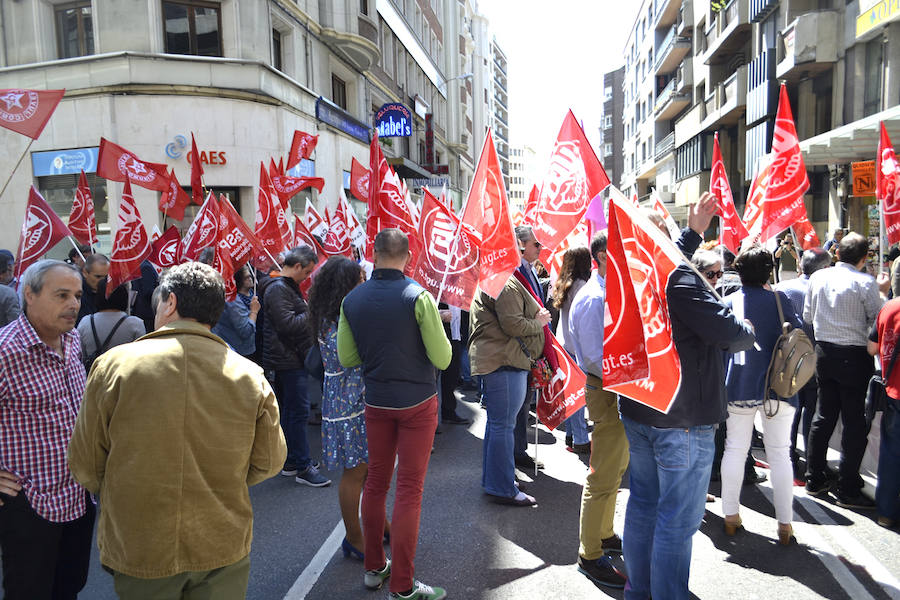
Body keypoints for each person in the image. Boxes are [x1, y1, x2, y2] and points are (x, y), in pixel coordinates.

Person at [68, 262, 287, 600]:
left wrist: (124, 491)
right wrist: (220, 483)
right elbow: (269, 461)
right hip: (220, 537)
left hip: (141, 540)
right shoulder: (250, 375)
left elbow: (85, 461)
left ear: (170, 303)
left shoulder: (115, 365)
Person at [619, 193, 756, 600]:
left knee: (644, 505)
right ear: (654, 238)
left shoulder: (633, 275)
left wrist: (692, 232)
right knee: (676, 519)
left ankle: (639, 591)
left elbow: (671, 262)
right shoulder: (677, 278)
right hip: (682, 419)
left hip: (643, 409)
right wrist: (744, 326)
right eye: (663, 230)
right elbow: (729, 333)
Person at [338, 229, 451, 600]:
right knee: (409, 491)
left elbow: (347, 358)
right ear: (408, 255)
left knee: (376, 485)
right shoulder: (418, 297)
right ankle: (402, 585)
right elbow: (443, 358)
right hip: (417, 402)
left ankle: (374, 569)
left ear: (374, 253)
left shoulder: (351, 300)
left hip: (377, 403)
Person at [0, 260, 95, 599]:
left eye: (78, 295)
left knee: (69, 587)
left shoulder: (72, 340)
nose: (73, 304)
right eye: (61, 295)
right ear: (29, 294)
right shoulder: (5, 351)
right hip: (29, 503)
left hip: (77, 496)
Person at [721, 247, 804, 545]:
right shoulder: (781, 300)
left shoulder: (728, 301)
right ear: (769, 271)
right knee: (780, 452)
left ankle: (730, 516)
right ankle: (785, 526)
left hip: (740, 383)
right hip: (778, 386)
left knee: (735, 448)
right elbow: (799, 335)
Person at [804, 232, 889, 507]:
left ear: (838, 253)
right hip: (853, 355)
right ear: (864, 259)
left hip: (824, 352)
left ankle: (814, 477)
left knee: (823, 415)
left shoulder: (818, 277)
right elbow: (878, 323)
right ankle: (847, 486)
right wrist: (883, 294)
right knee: (853, 420)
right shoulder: (865, 282)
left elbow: (807, 316)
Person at [308, 256, 382, 560]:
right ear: (346, 285)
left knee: (367, 470)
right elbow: (348, 358)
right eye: (359, 279)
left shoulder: (337, 313)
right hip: (347, 400)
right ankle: (354, 537)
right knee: (356, 472)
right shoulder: (336, 319)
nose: (364, 284)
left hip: (353, 397)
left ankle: (378, 525)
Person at [567, 231, 629, 589]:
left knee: (614, 469)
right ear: (604, 256)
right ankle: (589, 554)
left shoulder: (602, 291)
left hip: (613, 389)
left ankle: (603, 534)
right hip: (606, 390)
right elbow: (594, 358)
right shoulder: (593, 297)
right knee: (603, 473)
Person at [469, 266, 547, 508]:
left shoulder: (497, 278)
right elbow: (513, 325)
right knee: (503, 426)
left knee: (498, 426)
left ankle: (497, 482)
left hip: (502, 360)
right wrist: (539, 323)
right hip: (504, 361)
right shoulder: (502, 281)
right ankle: (502, 487)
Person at [262, 245, 331, 487]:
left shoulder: (284, 288)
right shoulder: (279, 289)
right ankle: (302, 466)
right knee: (297, 412)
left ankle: (293, 461)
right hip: (288, 360)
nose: (308, 277)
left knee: (292, 413)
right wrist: (313, 311)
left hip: (289, 357)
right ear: (298, 266)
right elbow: (288, 324)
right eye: (307, 272)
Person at [774, 247, 832, 479]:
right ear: (825, 268)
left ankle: (789, 456)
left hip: (787, 358)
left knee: (791, 408)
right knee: (811, 409)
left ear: (800, 266)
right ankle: (811, 458)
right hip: (815, 357)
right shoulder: (827, 288)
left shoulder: (782, 288)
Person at [552, 246, 592, 454]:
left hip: (564, 343)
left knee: (570, 394)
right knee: (578, 397)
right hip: (576, 347)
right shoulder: (582, 285)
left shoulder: (563, 283)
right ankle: (580, 438)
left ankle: (571, 434)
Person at [513, 224, 546, 470]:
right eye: (536, 244)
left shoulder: (531, 270)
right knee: (517, 408)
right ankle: (515, 454)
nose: (540, 248)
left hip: (532, 348)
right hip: (520, 348)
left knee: (524, 406)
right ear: (522, 245)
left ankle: (520, 451)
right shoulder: (515, 273)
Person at [867, 296, 900, 529]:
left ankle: (886, 512)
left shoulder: (889, 307)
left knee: (891, 453)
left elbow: (872, 348)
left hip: (893, 390)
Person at [76, 279, 145, 369]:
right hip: (123, 376)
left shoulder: (85, 322)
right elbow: (140, 358)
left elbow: (80, 356)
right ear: (124, 296)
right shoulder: (136, 324)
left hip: (94, 377)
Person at [212, 265, 260, 358]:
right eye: (246, 278)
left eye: (250, 276)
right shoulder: (233, 300)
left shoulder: (252, 294)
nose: (250, 279)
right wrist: (254, 312)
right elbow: (246, 331)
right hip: (241, 350)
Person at [437, 303, 470, 426]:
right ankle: (432, 419)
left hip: (455, 334)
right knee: (432, 379)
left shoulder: (457, 289)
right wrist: (439, 314)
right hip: (439, 333)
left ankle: (448, 412)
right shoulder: (435, 286)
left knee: (452, 376)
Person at [76, 253, 110, 324]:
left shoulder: (111, 292)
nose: (102, 281)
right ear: (85, 273)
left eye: (106, 277)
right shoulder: (76, 294)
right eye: (98, 277)